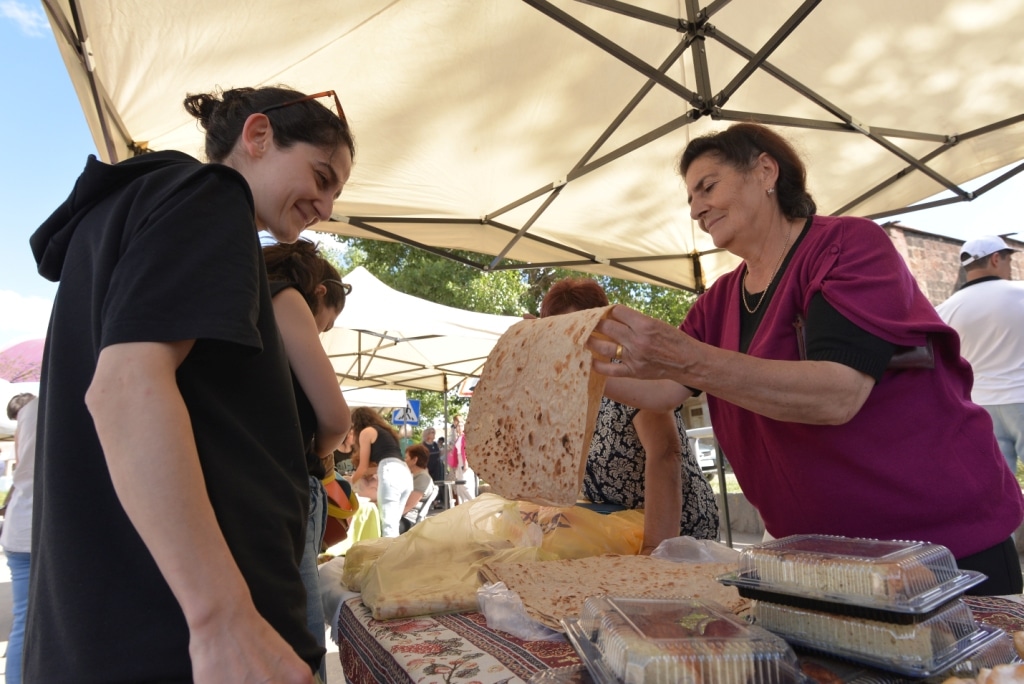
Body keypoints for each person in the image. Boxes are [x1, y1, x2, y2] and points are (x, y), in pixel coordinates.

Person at [587, 122, 1024, 595]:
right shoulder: (718, 301)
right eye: (690, 199)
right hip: (817, 559)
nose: (696, 209)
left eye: (707, 187)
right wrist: (579, 368)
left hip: (936, 545)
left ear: (765, 171)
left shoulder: (846, 247)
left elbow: (838, 394)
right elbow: (663, 389)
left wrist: (688, 359)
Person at [27, 85, 354, 682]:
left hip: (118, 622)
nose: (326, 207)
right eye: (321, 174)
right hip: (178, 638)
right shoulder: (212, 195)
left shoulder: (130, 213)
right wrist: (221, 617)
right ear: (257, 136)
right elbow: (125, 389)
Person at [541, 279, 719, 552]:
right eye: (558, 333)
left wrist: (655, 549)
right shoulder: (571, 387)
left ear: (602, 327)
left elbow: (665, 453)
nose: (568, 343)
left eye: (576, 329)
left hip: (673, 532)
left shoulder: (625, 370)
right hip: (617, 529)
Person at [265, 238, 353, 682]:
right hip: (288, 486)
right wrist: (319, 452)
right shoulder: (286, 298)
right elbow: (336, 419)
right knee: (301, 631)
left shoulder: (237, 294)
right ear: (318, 294)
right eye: (327, 324)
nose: (321, 333)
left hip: (244, 487)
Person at [936, 235, 1024, 476]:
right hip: (1021, 393)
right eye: (1008, 261)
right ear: (996, 259)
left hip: (981, 403)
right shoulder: (1020, 293)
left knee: (1002, 483)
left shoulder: (944, 310)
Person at [1, 393, 37, 684]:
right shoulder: (65, 403)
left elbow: (20, 477)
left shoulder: (28, 417)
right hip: (47, 528)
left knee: (23, 620)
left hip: (18, 528)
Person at [350, 407, 413, 537]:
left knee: (388, 525)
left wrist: (350, 483)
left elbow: (362, 467)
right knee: (394, 524)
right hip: (405, 473)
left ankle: (389, 557)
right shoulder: (385, 432)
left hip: (391, 472)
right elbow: (378, 465)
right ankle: (397, 556)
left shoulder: (366, 432)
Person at [400, 443, 438, 532]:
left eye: (406, 458)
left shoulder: (422, 478)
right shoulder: (415, 476)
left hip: (408, 520)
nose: (404, 460)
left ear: (414, 460)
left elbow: (408, 506)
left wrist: (390, 518)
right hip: (404, 516)